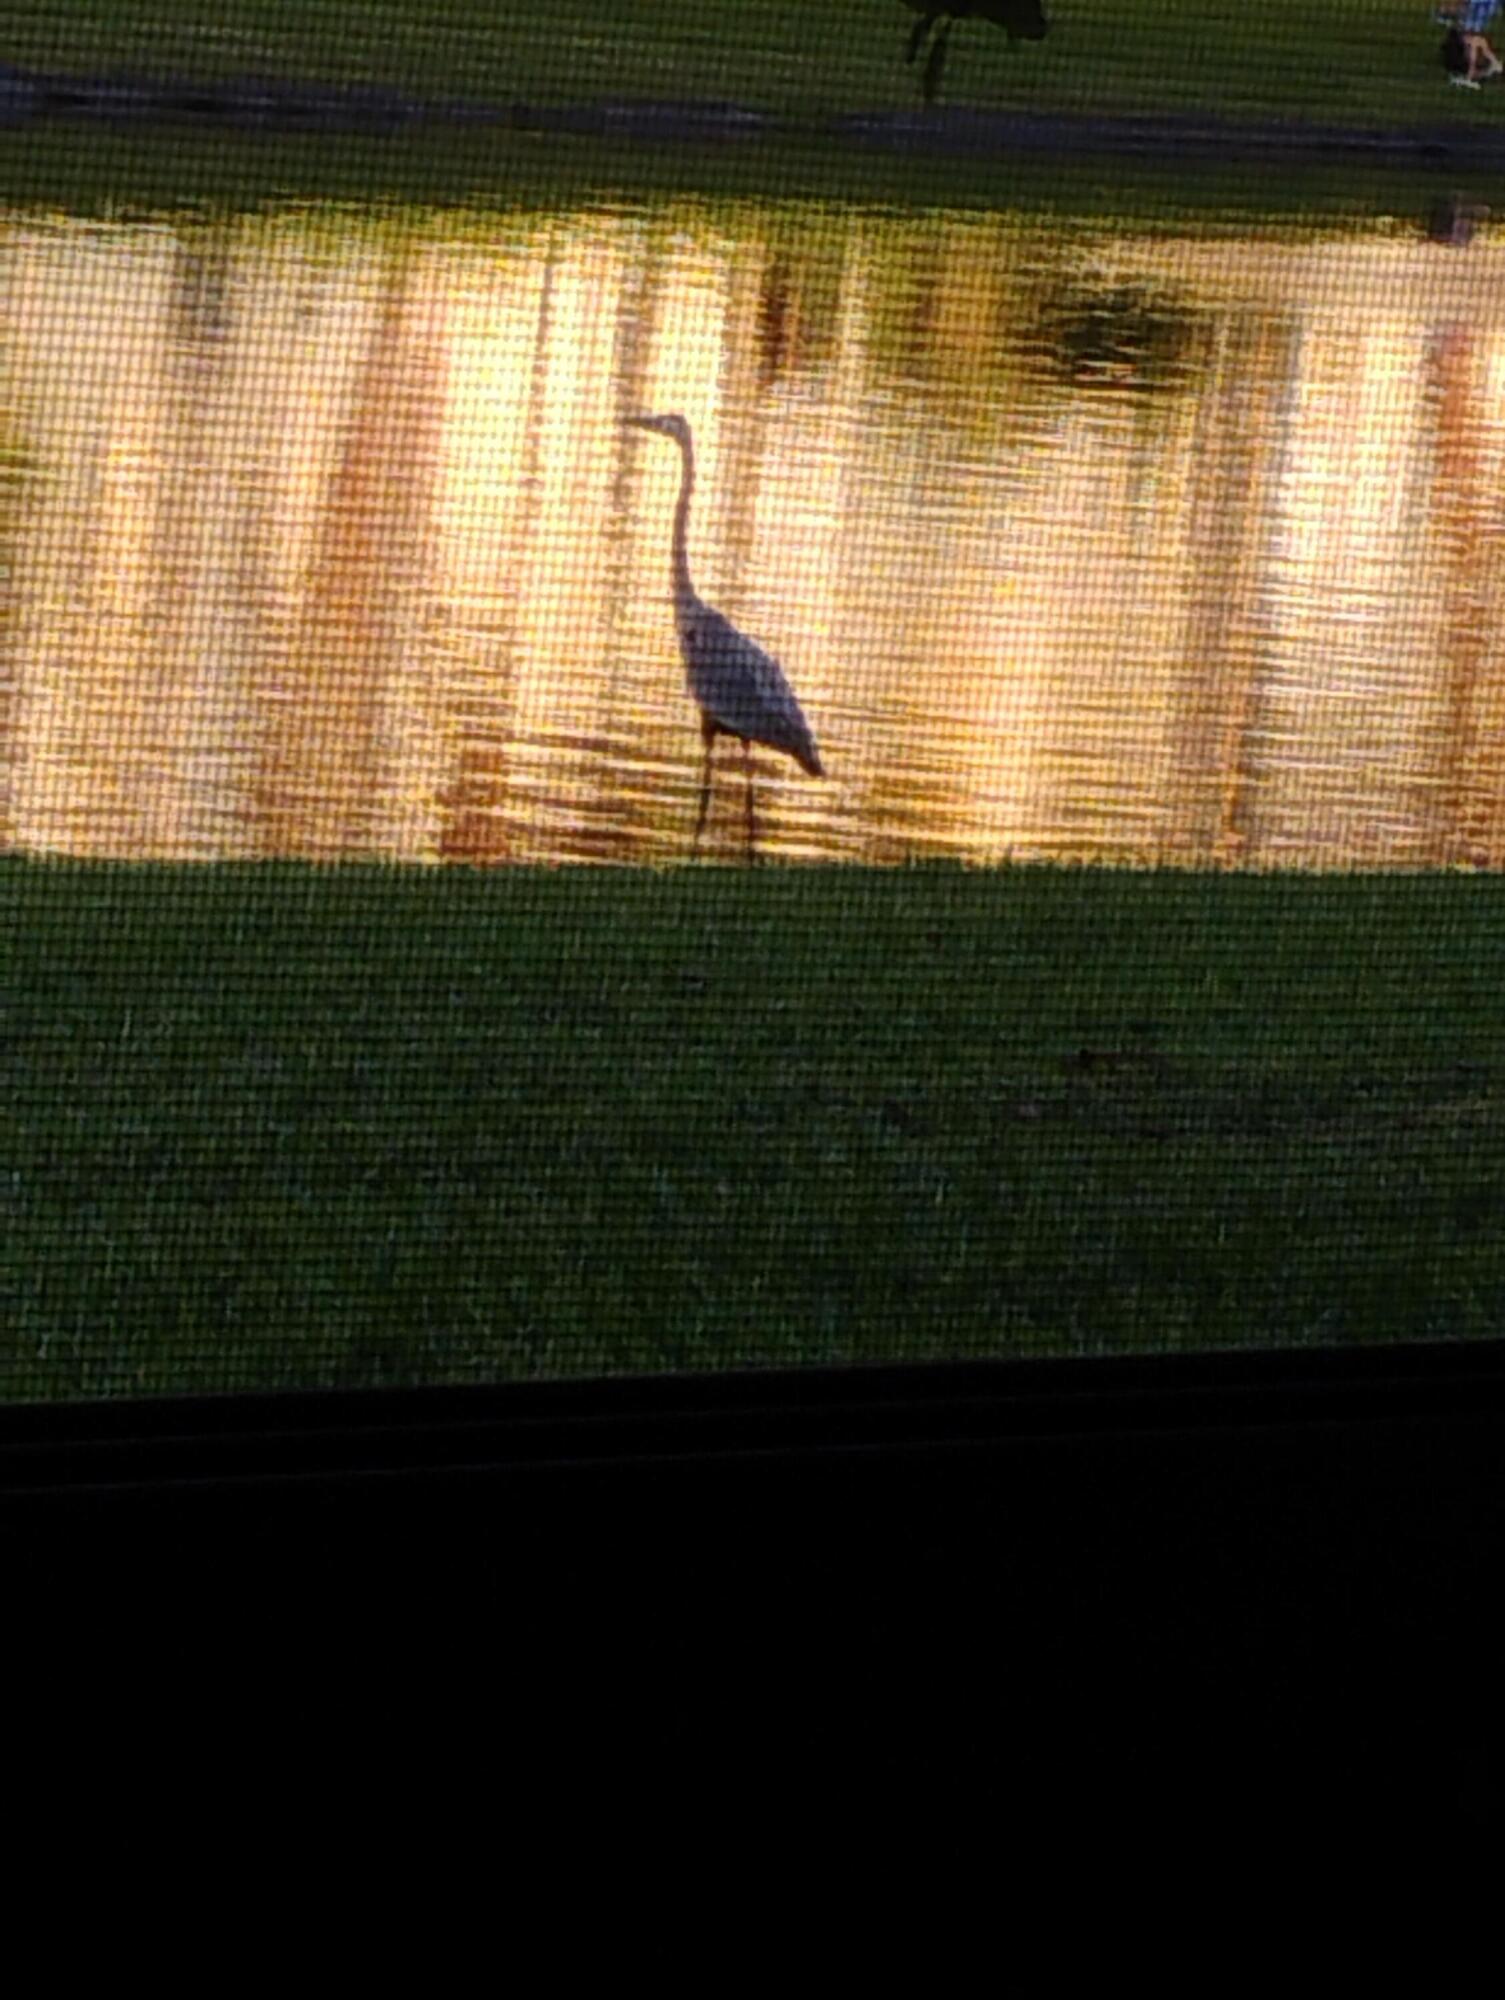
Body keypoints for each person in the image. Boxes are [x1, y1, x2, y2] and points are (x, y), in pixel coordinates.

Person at [1437, 4, 1504, 87]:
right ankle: (1474, 74)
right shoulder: (1458, 31)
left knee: (1479, 41)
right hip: (1458, 56)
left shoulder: (1468, 18)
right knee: (1475, 42)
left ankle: (1494, 65)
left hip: (1463, 49)